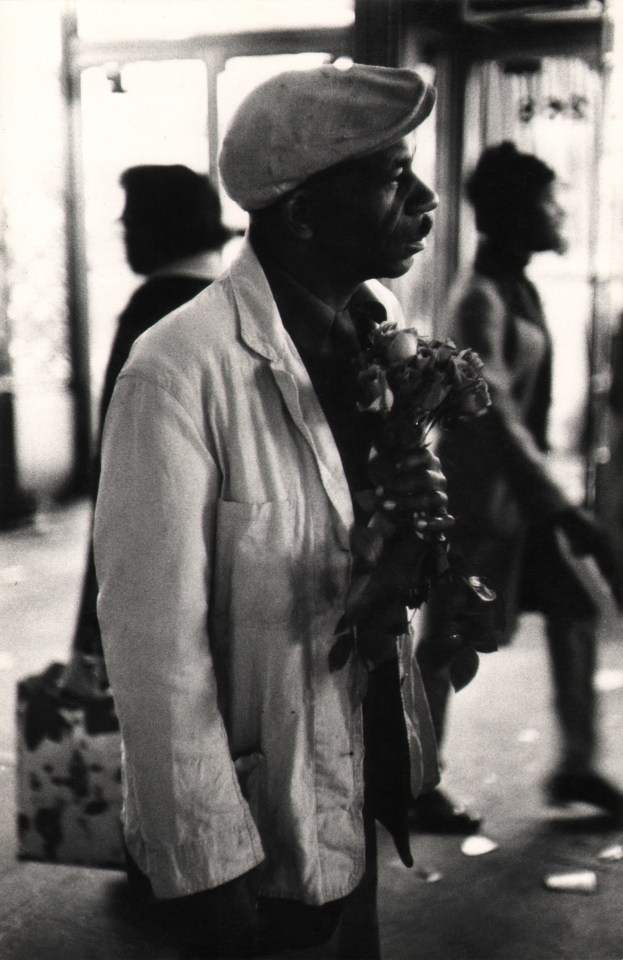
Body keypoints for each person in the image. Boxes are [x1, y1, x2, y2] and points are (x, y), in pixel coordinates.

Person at [94, 64, 448, 958]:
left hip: (357, 751)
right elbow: (153, 650)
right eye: (393, 178)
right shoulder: (177, 370)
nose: (424, 201)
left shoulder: (375, 324)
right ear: (303, 214)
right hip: (256, 806)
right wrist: (206, 860)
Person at [413, 141, 623, 835]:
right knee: (447, 639)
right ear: (511, 214)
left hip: (518, 503)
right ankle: (415, 783)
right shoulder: (478, 298)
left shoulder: (513, 286)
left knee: (576, 606)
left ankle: (576, 765)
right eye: (548, 202)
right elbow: (496, 415)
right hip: (478, 501)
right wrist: (562, 509)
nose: (559, 213)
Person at [62, 164, 232, 695]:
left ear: (163, 227)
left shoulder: (151, 313)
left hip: (158, 564)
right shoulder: (237, 304)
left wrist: (90, 632)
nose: (124, 230)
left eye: (132, 218)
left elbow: (116, 473)